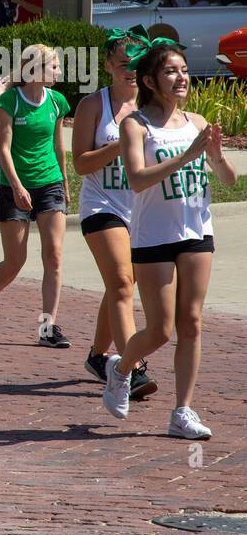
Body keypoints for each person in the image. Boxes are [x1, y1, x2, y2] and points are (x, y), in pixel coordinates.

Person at [101, 41, 236, 438]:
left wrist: (215, 154)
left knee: (191, 322)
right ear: (150, 80)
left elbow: (227, 180)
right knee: (160, 330)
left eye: (183, 70)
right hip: (154, 237)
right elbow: (138, 180)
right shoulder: (136, 125)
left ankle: (182, 411)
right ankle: (121, 368)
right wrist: (187, 154)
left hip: (196, 230)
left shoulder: (196, 121)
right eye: (171, 71)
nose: (181, 78)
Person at [74, 30, 157, 400]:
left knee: (120, 285)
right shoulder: (94, 105)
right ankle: (132, 367)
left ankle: (97, 355)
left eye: (137, 65)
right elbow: (79, 163)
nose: (130, 71)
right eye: (123, 64)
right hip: (101, 205)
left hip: (142, 209)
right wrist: (116, 147)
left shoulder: (153, 106)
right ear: (108, 65)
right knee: (123, 283)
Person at [0, 43, 71, 347]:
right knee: (15, 261)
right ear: (36, 69)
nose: (58, 72)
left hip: (50, 183)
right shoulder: (10, 102)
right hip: (14, 185)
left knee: (53, 256)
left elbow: (58, 146)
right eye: (53, 66)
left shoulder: (57, 101)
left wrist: (65, 183)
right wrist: (16, 186)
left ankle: (48, 327)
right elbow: (3, 148)